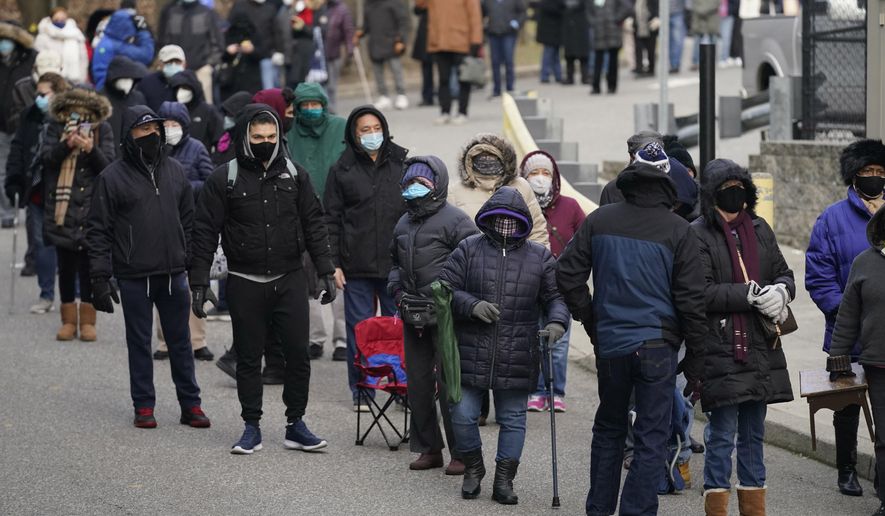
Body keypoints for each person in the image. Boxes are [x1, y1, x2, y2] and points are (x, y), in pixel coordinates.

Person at [556, 160, 707, 515]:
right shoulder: (678, 229)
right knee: (652, 436)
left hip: (611, 344)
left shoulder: (600, 220)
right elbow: (692, 300)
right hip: (658, 346)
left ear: (627, 187)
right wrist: (697, 356)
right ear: (667, 192)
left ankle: (599, 509)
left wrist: (591, 318)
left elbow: (566, 272)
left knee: (609, 427)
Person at [190, 103, 334, 454]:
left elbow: (315, 224)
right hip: (245, 280)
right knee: (249, 358)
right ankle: (251, 426)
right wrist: (199, 281)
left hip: (289, 278)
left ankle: (296, 424)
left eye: (271, 136)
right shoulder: (224, 178)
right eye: (257, 137)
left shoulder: (296, 175)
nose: (265, 142)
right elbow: (204, 231)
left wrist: (326, 270)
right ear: (245, 137)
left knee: (298, 355)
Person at [440, 186, 569, 505]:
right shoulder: (469, 248)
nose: (506, 226)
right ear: (489, 218)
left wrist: (557, 322)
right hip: (471, 347)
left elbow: (555, 297)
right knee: (462, 414)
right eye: (500, 219)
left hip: (519, 350)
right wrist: (471, 305)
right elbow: (445, 289)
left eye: (513, 221)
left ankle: (504, 480)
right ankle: (473, 468)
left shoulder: (540, 256)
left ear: (524, 222)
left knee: (513, 419)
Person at [87, 105, 209, 430]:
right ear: (129, 135)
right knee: (139, 343)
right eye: (143, 130)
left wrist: (196, 271)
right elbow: (98, 230)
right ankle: (143, 405)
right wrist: (99, 276)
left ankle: (191, 404)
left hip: (174, 274)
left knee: (181, 342)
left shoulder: (176, 171)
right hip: (134, 275)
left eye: (155, 129)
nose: (152, 135)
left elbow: (190, 222)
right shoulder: (111, 177)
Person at [690, 159, 795, 516]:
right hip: (721, 348)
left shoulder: (760, 228)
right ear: (712, 194)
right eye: (725, 188)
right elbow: (700, 291)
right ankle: (717, 505)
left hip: (762, 348)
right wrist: (747, 295)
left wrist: (782, 291)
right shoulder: (698, 233)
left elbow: (784, 272)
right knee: (721, 435)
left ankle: (753, 508)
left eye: (739, 186)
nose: (734, 193)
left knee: (753, 434)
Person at [389, 156, 478, 475]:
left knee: (451, 385)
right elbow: (394, 264)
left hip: (447, 315)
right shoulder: (402, 222)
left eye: (423, 182)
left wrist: (453, 298)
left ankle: (462, 452)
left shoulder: (457, 221)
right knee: (418, 384)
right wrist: (397, 292)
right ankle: (429, 448)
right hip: (412, 314)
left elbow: (473, 265)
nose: (415, 188)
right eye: (410, 182)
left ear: (437, 184)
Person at [806, 139, 885, 498]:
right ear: (854, 175)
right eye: (867, 171)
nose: (873, 177)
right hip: (847, 330)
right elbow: (818, 273)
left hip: (882, 332)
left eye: (879, 171)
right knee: (848, 404)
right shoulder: (832, 218)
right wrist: (846, 310)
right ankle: (847, 469)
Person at [324, 105, 408, 411]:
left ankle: (402, 389)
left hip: (395, 266)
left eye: (376, 129)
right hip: (355, 265)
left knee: (399, 330)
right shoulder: (341, 169)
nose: (372, 135)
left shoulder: (402, 164)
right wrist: (333, 263)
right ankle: (363, 390)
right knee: (359, 331)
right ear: (354, 134)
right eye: (365, 130)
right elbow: (330, 219)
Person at [41, 87, 114, 342]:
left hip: (93, 205)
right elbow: (46, 159)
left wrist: (91, 149)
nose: (79, 117)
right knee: (66, 265)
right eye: (74, 112)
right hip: (62, 206)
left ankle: (88, 321)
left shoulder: (103, 129)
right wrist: (67, 144)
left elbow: (109, 168)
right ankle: (69, 320)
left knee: (89, 266)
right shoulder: (55, 127)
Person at [828, 206, 885, 516]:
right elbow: (848, 316)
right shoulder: (863, 263)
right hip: (879, 366)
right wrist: (838, 359)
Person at [519, 150, 585, 412]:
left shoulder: (571, 207)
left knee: (559, 342)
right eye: (534, 173)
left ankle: (556, 392)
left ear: (554, 177)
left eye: (545, 172)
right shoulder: (518, 203)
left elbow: (584, 242)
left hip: (561, 286)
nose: (540, 178)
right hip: (528, 284)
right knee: (533, 340)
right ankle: (536, 391)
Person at [287, 83, 348, 361]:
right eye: (305, 105)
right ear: (298, 108)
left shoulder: (340, 127)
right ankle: (314, 337)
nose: (311, 110)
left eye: (316, 104)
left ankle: (343, 338)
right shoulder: (289, 133)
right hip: (302, 216)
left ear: (324, 104)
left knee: (338, 274)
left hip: (337, 213)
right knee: (306, 279)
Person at [150, 100, 215, 362]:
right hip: (161, 225)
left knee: (193, 283)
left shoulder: (197, 148)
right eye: (165, 123)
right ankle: (165, 341)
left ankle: (197, 341)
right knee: (163, 283)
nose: (170, 128)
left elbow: (210, 182)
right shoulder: (153, 151)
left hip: (192, 224)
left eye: (174, 123)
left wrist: (184, 187)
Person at [5, 73, 69, 315]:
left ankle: (73, 297)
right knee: (42, 244)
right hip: (37, 189)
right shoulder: (30, 115)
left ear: (58, 93)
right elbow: (18, 147)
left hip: (63, 190)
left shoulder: (69, 116)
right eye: (37, 94)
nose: (39, 99)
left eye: (44, 94)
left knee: (69, 244)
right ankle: (46, 294)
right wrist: (13, 179)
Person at [448, 133, 549, 247]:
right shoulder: (455, 192)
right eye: (482, 156)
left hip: (518, 257)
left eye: (492, 156)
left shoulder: (521, 186)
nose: (487, 160)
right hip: (470, 257)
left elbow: (537, 232)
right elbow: (448, 236)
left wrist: (539, 257)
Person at [417, 0, 484, 125]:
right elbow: (420, 4)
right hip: (439, 41)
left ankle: (462, 112)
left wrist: (476, 40)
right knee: (443, 79)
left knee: (464, 79)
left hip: (461, 40)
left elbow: (475, 16)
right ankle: (445, 112)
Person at [1, 21, 37, 225]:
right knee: (1, 168)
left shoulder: (30, 58)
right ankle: (6, 212)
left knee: (23, 165)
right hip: (1, 125)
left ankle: (27, 203)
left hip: (23, 121)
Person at [157, 0, 224, 104]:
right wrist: (168, 64)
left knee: (204, 106)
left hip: (201, 69)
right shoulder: (172, 13)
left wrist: (209, 64)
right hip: (176, 69)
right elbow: (165, 41)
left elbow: (217, 43)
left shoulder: (206, 12)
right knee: (172, 105)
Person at [354, 0, 411, 111]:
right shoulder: (369, 4)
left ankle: (401, 95)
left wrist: (401, 40)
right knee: (378, 73)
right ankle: (384, 97)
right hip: (375, 43)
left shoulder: (394, 3)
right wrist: (360, 33)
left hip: (392, 42)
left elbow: (403, 22)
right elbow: (366, 25)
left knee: (396, 70)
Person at [91, 9, 154, 91]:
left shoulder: (107, 41)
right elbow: (146, 55)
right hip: (110, 91)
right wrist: (143, 31)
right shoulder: (115, 46)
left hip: (105, 89)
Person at [101, 56, 148, 158]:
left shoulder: (138, 98)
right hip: (108, 155)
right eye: (124, 78)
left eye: (130, 78)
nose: (128, 81)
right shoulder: (100, 99)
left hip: (134, 157)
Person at [228, 0, 280, 90]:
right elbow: (231, 27)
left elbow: (277, 32)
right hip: (243, 58)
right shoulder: (239, 6)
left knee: (268, 89)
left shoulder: (270, 8)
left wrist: (278, 51)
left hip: (266, 55)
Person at [10, 50, 63, 136]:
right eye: (44, 76)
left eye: (53, 76)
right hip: (30, 137)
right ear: (35, 70)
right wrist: (34, 111)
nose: (48, 79)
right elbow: (15, 121)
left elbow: (77, 117)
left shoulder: (69, 89)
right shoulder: (22, 88)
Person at [169, 69, 224, 152]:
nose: (181, 91)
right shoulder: (172, 111)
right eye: (178, 88)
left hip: (202, 156)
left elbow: (220, 137)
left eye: (185, 87)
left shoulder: (208, 110)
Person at [33, 8, 89, 85]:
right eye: (56, 19)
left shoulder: (76, 35)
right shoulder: (43, 37)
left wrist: (82, 78)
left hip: (74, 80)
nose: (59, 22)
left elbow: (83, 59)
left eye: (62, 19)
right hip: (50, 81)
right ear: (51, 19)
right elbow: (38, 59)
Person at [482, 0, 526, 96]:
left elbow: (522, 12)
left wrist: (517, 23)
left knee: (508, 61)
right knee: (495, 62)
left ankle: (510, 88)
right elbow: (481, 13)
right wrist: (484, 26)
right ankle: (496, 89)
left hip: (509, 34)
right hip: (493, 34)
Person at [218, 12, 264, 102]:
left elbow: (262, 54)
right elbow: (221, 56)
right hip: (232, 80)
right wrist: (228, 52)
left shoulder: (254, 35)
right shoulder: (228, 35)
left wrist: (252, 51)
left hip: (251, 78)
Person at [587, 0, 631, 94]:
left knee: (613, 61)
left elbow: (627, 7)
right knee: (597, 59)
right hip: (599, 31)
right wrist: (593, 22)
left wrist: (617, 18)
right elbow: (588, 10)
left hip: (613, 31)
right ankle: (596, 86)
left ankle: (612, 86)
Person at [321, 0, 355, 114]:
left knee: (331, 85)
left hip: (334, 52)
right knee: (321, 84)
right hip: (320, 53)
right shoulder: (321, 7)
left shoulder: (341, 9)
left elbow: (348, 30)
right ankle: (324, 109)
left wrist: (350, 48)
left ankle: (331, 111)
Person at [136, 45, 185, 113]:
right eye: (169, 62)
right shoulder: (147, 82)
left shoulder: (190, 84)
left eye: (177, 61)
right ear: (160, 63)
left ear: (184, 63)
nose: (173, 65)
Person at [212, 91, 253, 166]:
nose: (226, 118)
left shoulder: (247, 143)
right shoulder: (225, 138)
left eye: (230, 115)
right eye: (226, 114)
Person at [532, 0, 564, 83]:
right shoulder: (549, 3)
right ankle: (546, 75)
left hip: (555, 31)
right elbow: (553, 9)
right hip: (549, 32)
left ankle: (557, 74)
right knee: (548, 53)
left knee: (555, 54)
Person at [561, 0, 590, 85]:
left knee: (582, 56)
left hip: (579, 26)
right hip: (571, 27)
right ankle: (572, 77)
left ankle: (584, 76)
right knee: (570, 56)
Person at [629, 0, 660, 76]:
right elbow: (630, 7)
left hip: (650, 25)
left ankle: (651, 69)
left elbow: (657, 7)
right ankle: (639, 68)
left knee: (651, 48)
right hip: (638, 26)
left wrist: (657, 18)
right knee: (638, 48)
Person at [412, 4, 434, 106]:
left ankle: (447, 94)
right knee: (426, 66)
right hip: (426, 33)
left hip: (442, 31)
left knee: (445, 66)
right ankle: (427, 96)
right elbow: (416, 10)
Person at [690, 0, 720, 71]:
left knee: (712, 39)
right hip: (699, 16)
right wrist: (701, 10)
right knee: (698, 40)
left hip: (711, 17)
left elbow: (717, 3)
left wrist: (704, 9)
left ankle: (711, 61)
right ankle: (696, 61)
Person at [668, 0, 687, 73]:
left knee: (677, 40)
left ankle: (675, 64)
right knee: (667, 41)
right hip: (663, 12)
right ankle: (672, 64)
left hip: (677, 12)